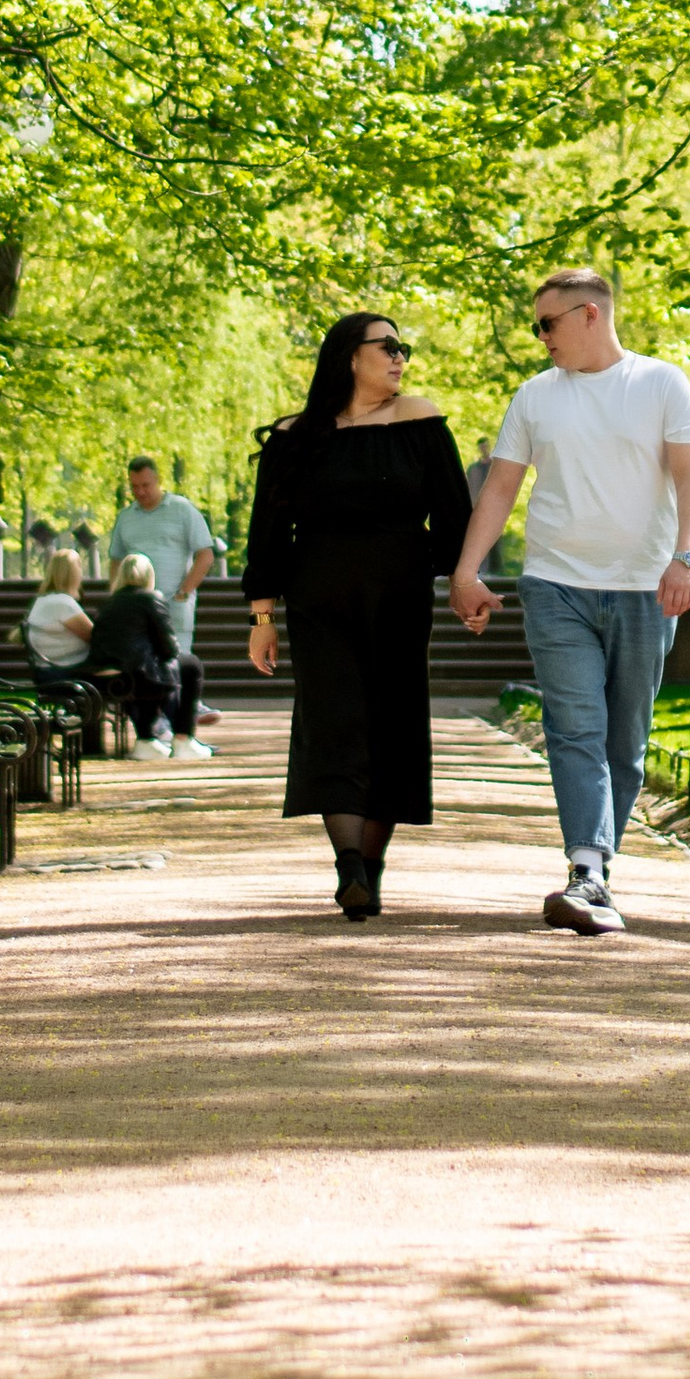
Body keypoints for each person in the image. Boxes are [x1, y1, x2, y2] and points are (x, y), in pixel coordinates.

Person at [451, 266, 690, 939]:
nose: (541, 337)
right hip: (555, 585)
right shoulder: (536, 396)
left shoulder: (662, 384)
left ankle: (597, 871)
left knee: (625, 741)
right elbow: (501, 488)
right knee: (575, 728)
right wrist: (466, 571)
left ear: (590, 314)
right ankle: (586, 870)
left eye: (548, 323)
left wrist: (685, 558)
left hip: (645, 590)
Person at [242, 312, 470, 922]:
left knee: (392, 724)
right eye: (387, 346)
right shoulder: (295, 436)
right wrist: (262, 618)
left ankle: (367, 868)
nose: (400, 357)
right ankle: (351, 866)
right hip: (319, 600)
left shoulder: (419, 420)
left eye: (403, 347)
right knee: (334, 722)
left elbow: (455, 515)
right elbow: (268, 530)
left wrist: (463, 583)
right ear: (349, 356)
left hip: (399, 598)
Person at [109, 457, 222, 722]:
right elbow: (115, 559)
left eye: (145, 485)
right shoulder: (126, 517)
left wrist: (185, 591)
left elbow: (205, 554)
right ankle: (159, 715)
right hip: (137, 605)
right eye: (134, 486)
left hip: (174, 599)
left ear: (158, 480)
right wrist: (117, 597)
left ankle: (188, 706)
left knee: (180, 654)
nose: (140, 492)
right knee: (145, 657)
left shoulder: (182, 510)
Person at [87, 553, 213, 760]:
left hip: (104, 675)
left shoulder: (108, 603)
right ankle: (183, 738)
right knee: (191, 665)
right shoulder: (151, 598)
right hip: (138, 674)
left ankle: (146, 739)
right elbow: (169, 647)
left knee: (151, 669)